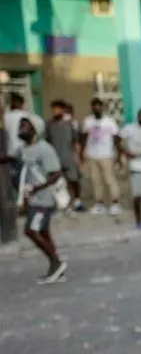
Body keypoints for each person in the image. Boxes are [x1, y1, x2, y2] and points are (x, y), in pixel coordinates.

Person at [17, 114, 68, 283]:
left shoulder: (45, 149)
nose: (21, 129)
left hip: (43, 199)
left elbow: (56, 174)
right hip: (33, 199)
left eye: (25, 126)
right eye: (20, 125)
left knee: (31, 230)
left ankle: (56, 262)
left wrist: (36, 188)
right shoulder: (24, 149)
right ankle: (56, 268)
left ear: (35, 129)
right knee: (44, 232)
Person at [79, 98, 121, 215]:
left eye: (99, 106)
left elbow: (116, 139)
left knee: (110, 179)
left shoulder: (109, 121)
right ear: (91, 107)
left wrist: (118, 155)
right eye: (94, 106)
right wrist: (81, 153)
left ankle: (115, 203)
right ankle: (99, 204)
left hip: (107, 155)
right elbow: (84, 137)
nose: (97, 108)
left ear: (102, 107)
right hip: (92, 155)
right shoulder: (88, 121)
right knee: (96, 180)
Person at [45, 100, 83, 211]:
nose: (55, 111)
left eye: (57, 109)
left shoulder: (70, 124)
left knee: (73, 180)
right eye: (53, 109)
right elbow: (47, 141)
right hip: (55, 158)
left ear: (62, 110)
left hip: (69, 156)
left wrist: (78, 157)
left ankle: (77, 201)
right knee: (59, 182)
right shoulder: (49, 124)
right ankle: (64, 203)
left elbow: (76, 141)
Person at [4, 93, 27, 159]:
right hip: (24, 149)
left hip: (11, 151)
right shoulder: (26, 115)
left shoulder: (6, 117)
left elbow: (5, 130)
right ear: (22, 104)